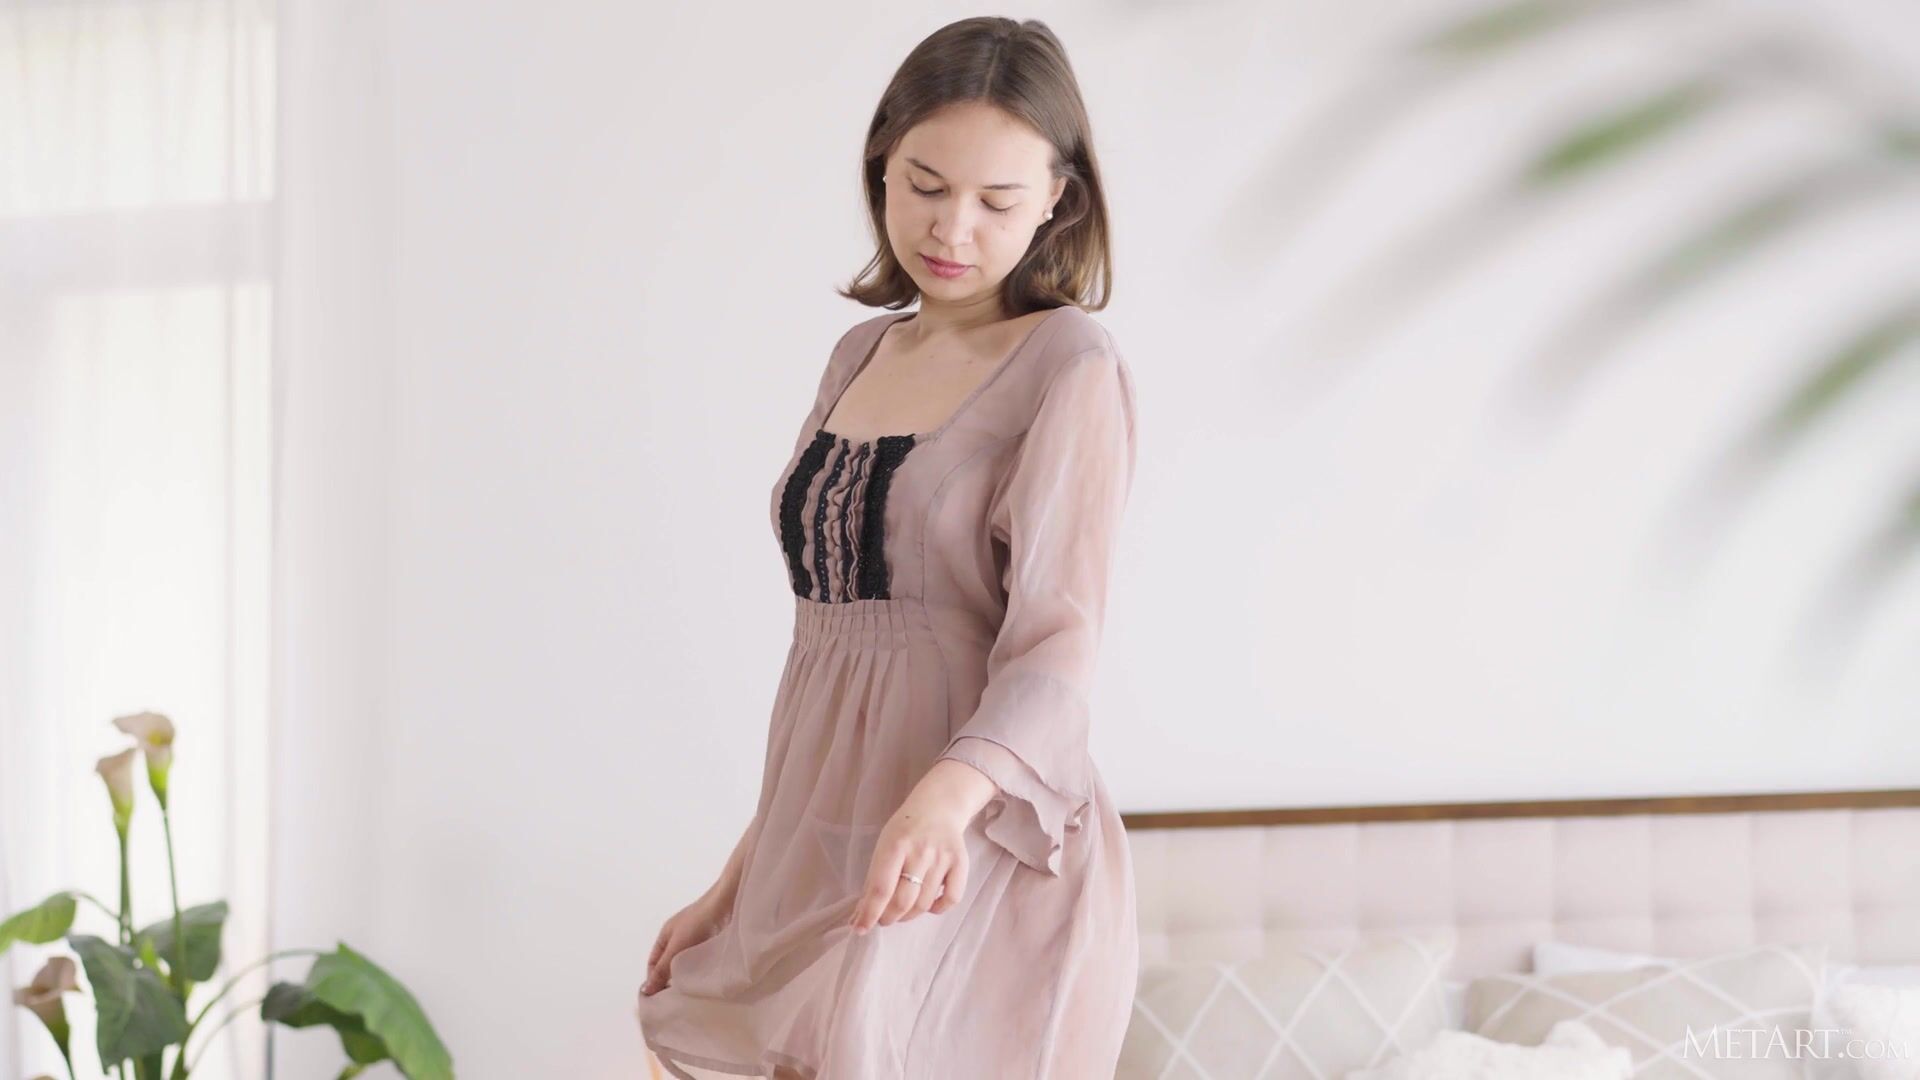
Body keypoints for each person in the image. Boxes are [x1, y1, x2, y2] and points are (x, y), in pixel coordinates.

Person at [635, 16, 1141, 1079]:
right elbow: (836, 661)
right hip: (818, 834)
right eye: (925, 184)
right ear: (881, 166)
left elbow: (1058, 650)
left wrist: (941, 803)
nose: (952, 227)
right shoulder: (857, 354)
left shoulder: (1068, 364)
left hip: (970, 838)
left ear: (1057, 199)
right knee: (686, 1027)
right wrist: (737, 882)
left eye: (997, 200)